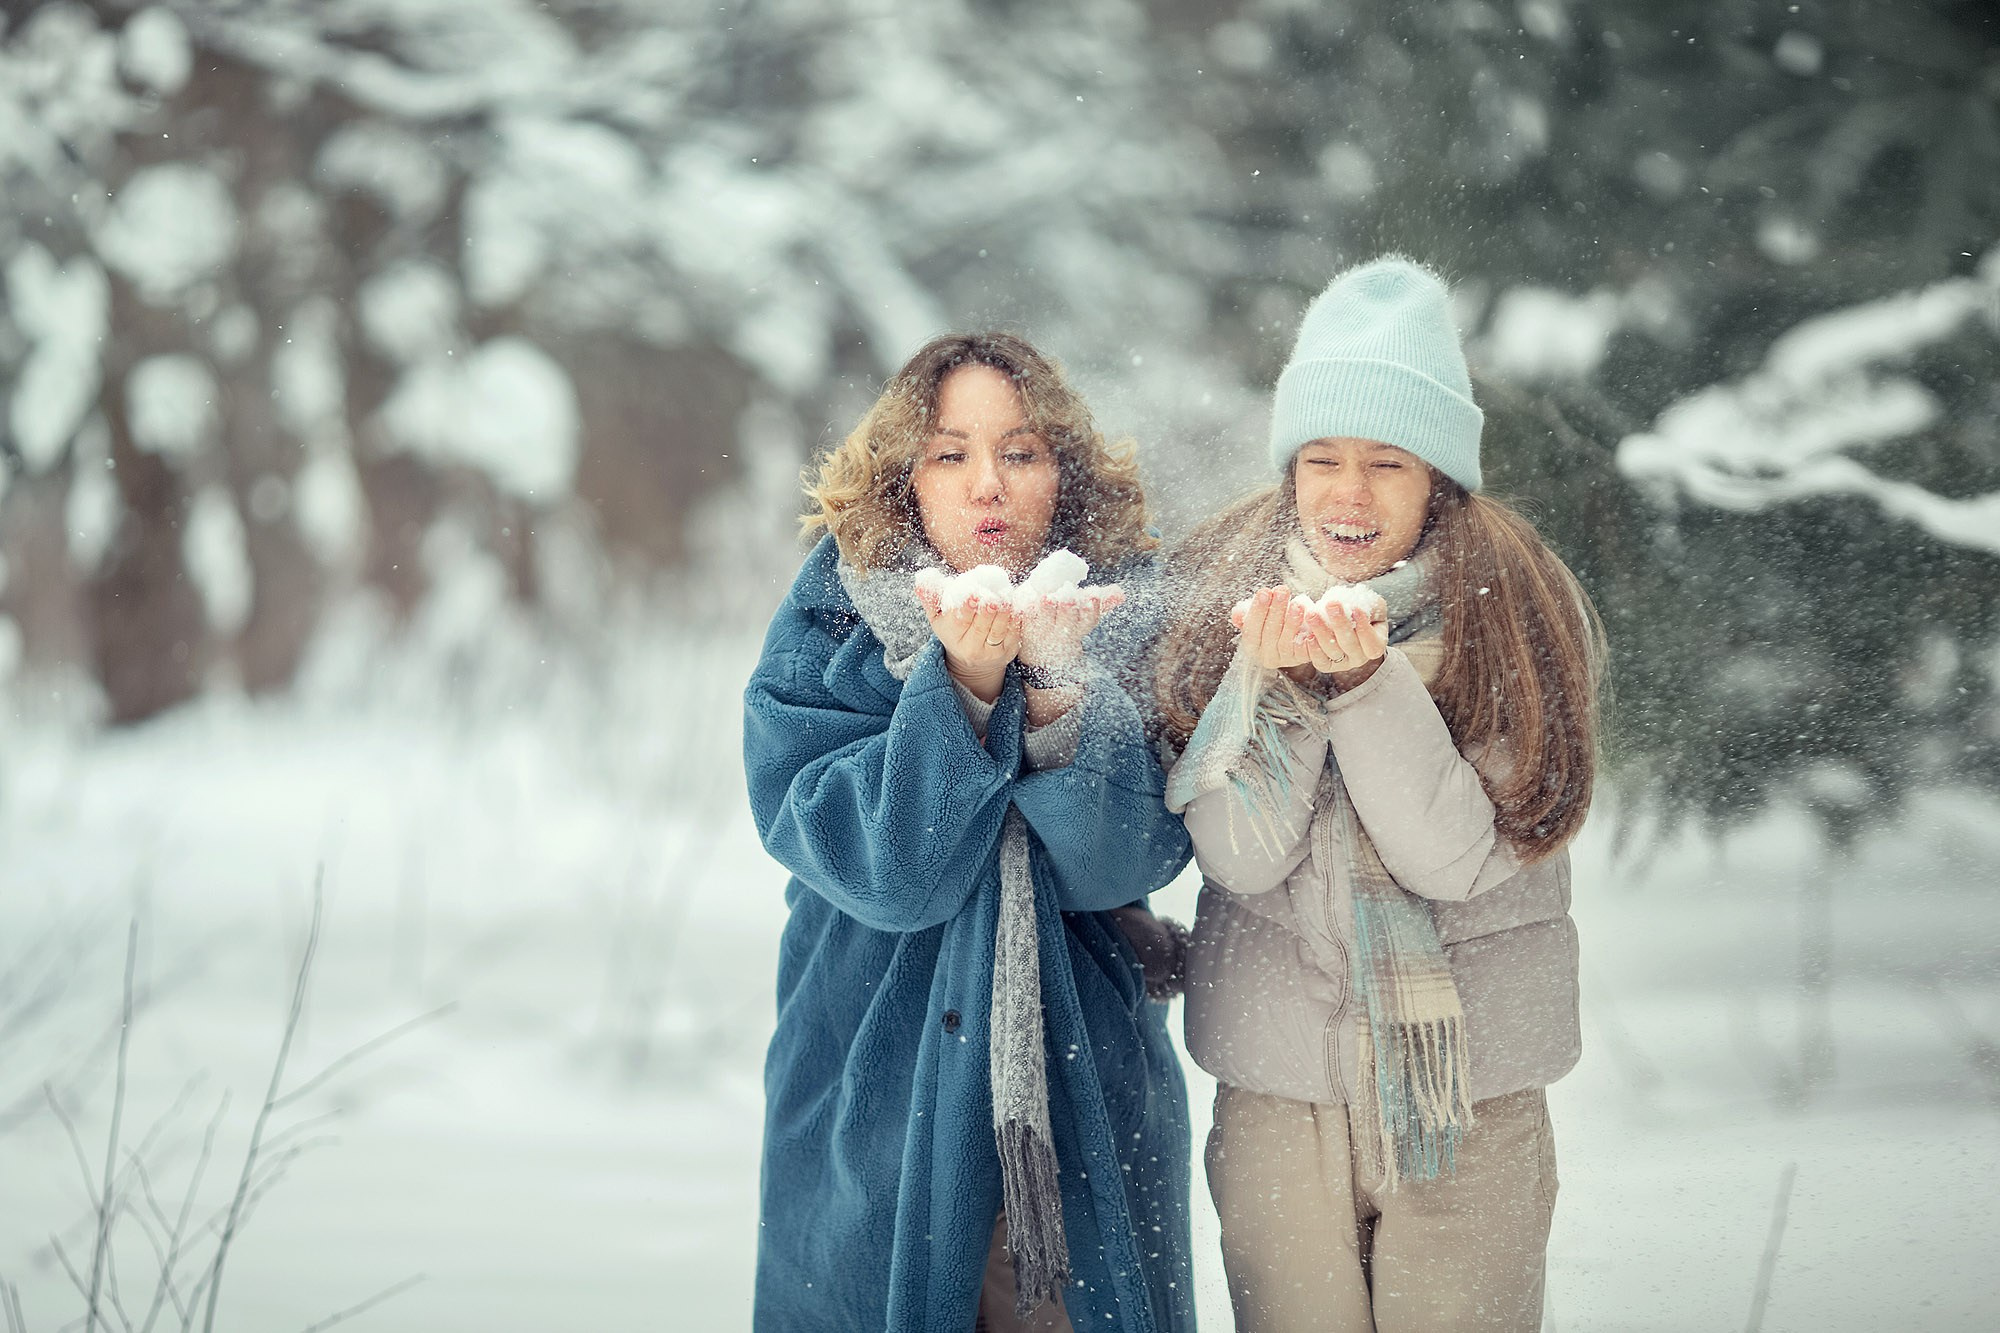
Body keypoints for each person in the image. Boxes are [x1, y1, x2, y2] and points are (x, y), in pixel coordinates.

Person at [1153, 258, 1606, 1332]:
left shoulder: (1508, 618)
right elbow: (1241, 856)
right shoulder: (1231, 601)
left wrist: (1362, 685)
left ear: (1437, 481)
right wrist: (1277, 686)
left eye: (1384, 464)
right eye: (1320, 460)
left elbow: (1448, 856)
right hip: (1280, 1094)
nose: (1346, 494)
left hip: (1465, 1095)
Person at [743, 332, 1196, 1333]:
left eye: (1021, 451)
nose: (986, 482)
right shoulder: (830, 629)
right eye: (949, 452)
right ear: (904, 475)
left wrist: (1057, 694)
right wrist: (960, 688)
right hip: (878, 1101)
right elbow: (892, 871)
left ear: (1063, 468)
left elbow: (1127, 858)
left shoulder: (1121, 617)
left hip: (1073, 1100)